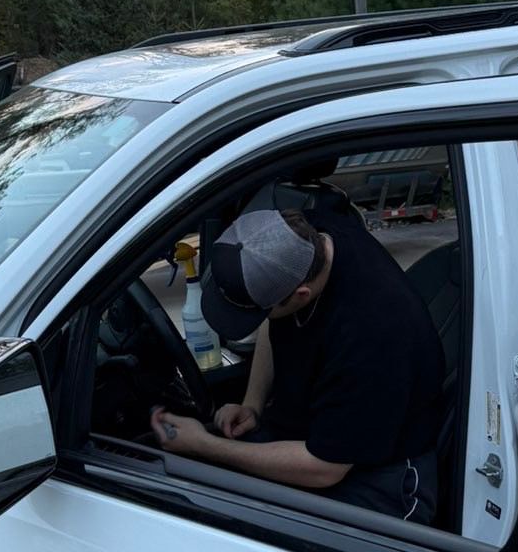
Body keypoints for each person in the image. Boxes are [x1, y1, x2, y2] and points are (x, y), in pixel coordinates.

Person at [149, 205, 446, 524]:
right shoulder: (305, 234)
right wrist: (253, 404)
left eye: (262, 310)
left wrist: (202, 445)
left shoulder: (372, 334)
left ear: (301, 294)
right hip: (313, 431)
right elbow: (273, 318)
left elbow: (324, 469)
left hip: (381, 481)